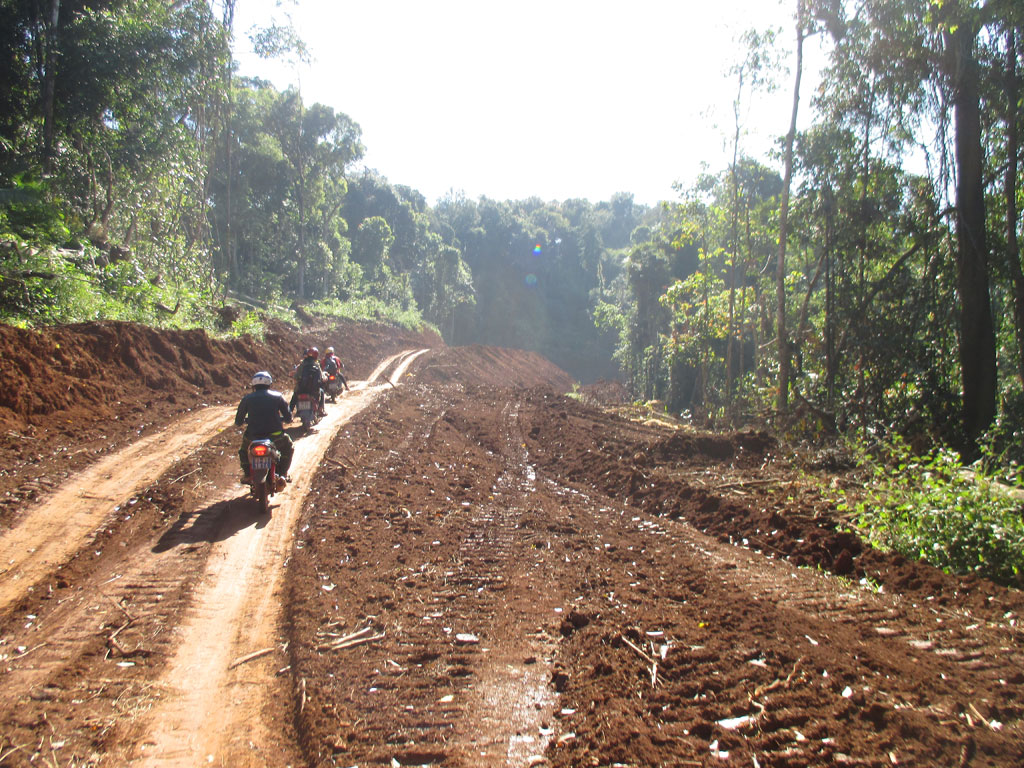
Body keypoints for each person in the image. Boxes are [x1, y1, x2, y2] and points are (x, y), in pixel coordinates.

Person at [236, 370, 294, 485]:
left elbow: (238, 420)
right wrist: (286, 419)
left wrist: (241, 422)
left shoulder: (247, 399)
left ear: (254, 385)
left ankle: (248, 474)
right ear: (269, 384)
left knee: (243, 452)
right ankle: (282, 474)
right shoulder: (278, 396)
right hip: (275, 436)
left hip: (253, 437)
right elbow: (288, 417)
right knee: (288, 447)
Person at [290, 346, 326, 416]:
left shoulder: (302, 365)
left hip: (302, 389)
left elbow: (296, 376)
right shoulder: (316, 365)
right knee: (321, 391)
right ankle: (321, 410)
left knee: (294, 396)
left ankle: (289, 412)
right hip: (313, 390)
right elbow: (321, 377)